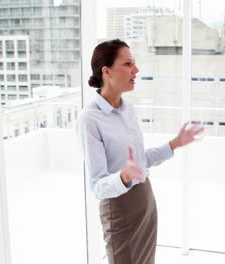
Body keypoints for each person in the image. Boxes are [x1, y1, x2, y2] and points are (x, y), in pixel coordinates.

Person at [76, 39, 203, 264]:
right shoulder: (90, 119)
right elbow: (97, 185)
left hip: (145, 201)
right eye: (127, 64)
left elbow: (140, 161)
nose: (136, 70)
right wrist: (124, 176)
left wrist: (175, 143)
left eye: (134, 63)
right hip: (119, 209)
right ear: (107, 71)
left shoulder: (128, 110)